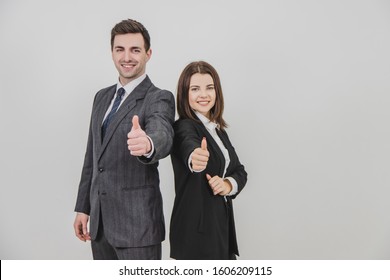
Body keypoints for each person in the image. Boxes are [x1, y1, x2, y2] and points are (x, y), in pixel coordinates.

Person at [73, 19, 175, 260]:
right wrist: (83, 207)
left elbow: (163, 133)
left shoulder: (158, 97)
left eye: (135, 50)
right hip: (100, 227)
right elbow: (92, 156)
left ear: (148, 54)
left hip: (138, 228)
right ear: (112, 53)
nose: (127, 57)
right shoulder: (101, 97)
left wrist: (149, 144)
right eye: (120, 49)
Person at [170, 61, 248, 259]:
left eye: (209, 88)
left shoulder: (218, 130)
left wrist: (228, 184)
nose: (203, 95)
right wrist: (195, 157)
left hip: (220, 230)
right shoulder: (183, 127)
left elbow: (239, 171)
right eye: (195, 89)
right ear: (185, 94)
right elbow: (189, 145)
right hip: (195, 234)